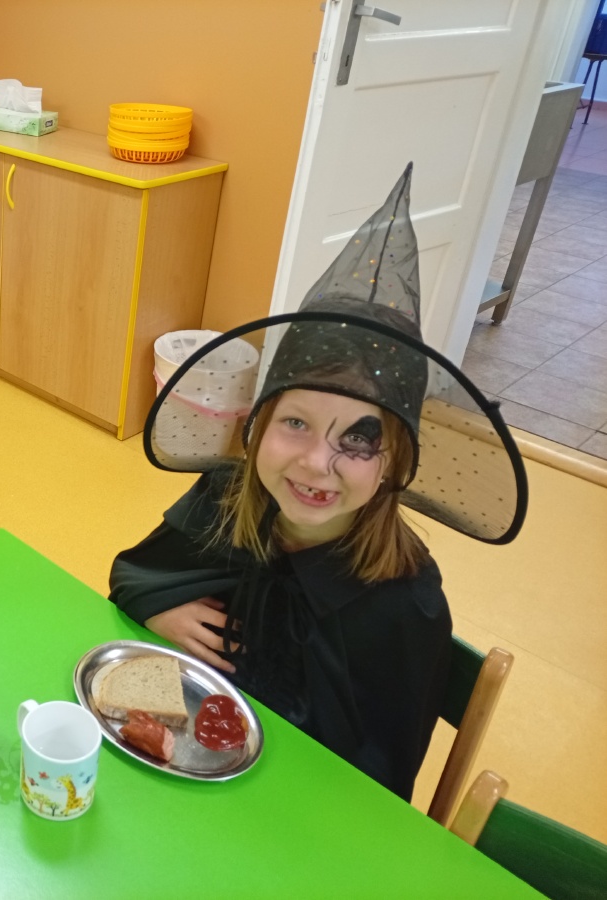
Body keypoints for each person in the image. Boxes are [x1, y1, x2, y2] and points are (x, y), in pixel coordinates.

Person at [109, 164, 528, 801]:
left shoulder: (403, 606)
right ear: (255, 427)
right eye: (296, 423)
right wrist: (158, 609)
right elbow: (135, 574)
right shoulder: (226, 499)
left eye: (357, 440)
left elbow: (379, 786)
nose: (314, 464)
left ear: (394, 462)